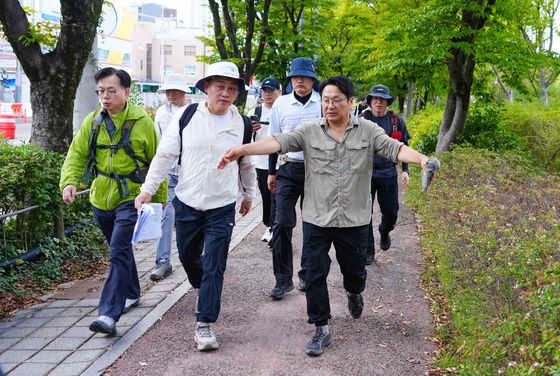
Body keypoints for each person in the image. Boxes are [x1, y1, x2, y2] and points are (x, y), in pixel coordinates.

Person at [218, 75, 438, 357]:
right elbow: (277, 142)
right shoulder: (309, 131)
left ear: (350, 102)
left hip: (354, 220)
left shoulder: (368, 131)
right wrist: (241, 150)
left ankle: (354, 292)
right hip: (316, 218)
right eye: (325, 100)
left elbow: (395, 148)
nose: (330, 105)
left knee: (355, 274)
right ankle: (321, 327)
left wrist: (420, 159)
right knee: (314, 273)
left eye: (336, 100)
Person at [135, 61, 256, 351]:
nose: (225, 93)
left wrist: (249, 194)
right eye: (219, 87)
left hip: (222, 205)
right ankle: (204, 288)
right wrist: (148, 190)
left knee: (215, 264)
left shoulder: (241, 124)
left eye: (231, 88)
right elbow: (165, 155)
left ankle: (205, 324)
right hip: (187, 202)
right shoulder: (186, 116)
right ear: (206, 88)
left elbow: (246, 162)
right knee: (190, 259)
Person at [60, 67, 167, 335]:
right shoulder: (93, 121)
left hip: (132, 197)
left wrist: (159, 199)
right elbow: (77, 154)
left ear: (126, 92)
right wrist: (70, 181)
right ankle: (131, 292)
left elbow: (159, 161)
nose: (105, 97)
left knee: (117, 250)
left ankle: (109, 314)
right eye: (101, 92)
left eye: (111, 91)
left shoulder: (142, 122)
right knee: (119, 249)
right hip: (100, 197)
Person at [267, 57, 322, 300]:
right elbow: (274, 139)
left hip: (316, 171)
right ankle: (282, 279)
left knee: (313, 225)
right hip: (287, 169)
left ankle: (306, 273)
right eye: (295, 77)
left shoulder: (323, 102)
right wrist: (271, 172)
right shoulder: (281, 104)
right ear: (290, 80)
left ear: (312, 79)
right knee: (281, 223)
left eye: (304, 76)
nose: (299, 80)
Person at [360, 84, 411, 264]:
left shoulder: (396, 121)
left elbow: (403, 146)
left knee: (391, 212)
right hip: (365, 173)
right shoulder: (362, 119)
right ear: (370, 101)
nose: (378, 102)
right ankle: (368, 252)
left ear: (387, 102)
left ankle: (384, 230)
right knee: (364, 213)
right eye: (375, 99)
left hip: (388, 172)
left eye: (382, 99)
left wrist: (405, 170)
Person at [150, 74, 191, 281]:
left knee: (192, 217)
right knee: (166, 215)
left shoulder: (194, 111)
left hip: (191, 173)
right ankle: (163, 261)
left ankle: (197, 256)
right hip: (170, 173)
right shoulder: (161, 113)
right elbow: (159, 145)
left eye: (174, 91)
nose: (170, 95)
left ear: (184, 91)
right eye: (167, 91)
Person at [248, 77, 282, 244]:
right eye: (265, 90)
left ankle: (275, 229)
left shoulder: (283, 109)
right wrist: (251, 130)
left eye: (272, 91)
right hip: (261, 163)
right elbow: (246, 140)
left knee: (277, 197)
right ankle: (269, 225)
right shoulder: (256, 112)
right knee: (267, 197)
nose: (268, 94)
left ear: (279, 92)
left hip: (281, 162)